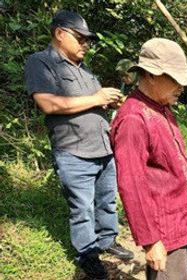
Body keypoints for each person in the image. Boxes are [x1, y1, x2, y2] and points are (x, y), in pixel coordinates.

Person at [110, 38, 187, 280]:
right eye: (175, 79)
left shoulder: (161, 106)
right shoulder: (133, 119)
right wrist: (150, 240)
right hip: (164, 227)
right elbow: (132, 185)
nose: (181, 87)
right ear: (151, 75)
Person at [24, 10, 133, 279]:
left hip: (102, 148)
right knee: (82, 208)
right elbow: (48, 103)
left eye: (88, 40)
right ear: (60, 34)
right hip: (73, 150)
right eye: (81, 38)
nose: (86, 44)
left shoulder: (84, 70)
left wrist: (108, 100)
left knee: (107, 201)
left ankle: (107, 240)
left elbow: (91, 102)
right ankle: (87, 253)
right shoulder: (41, 62)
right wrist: (97, 99)